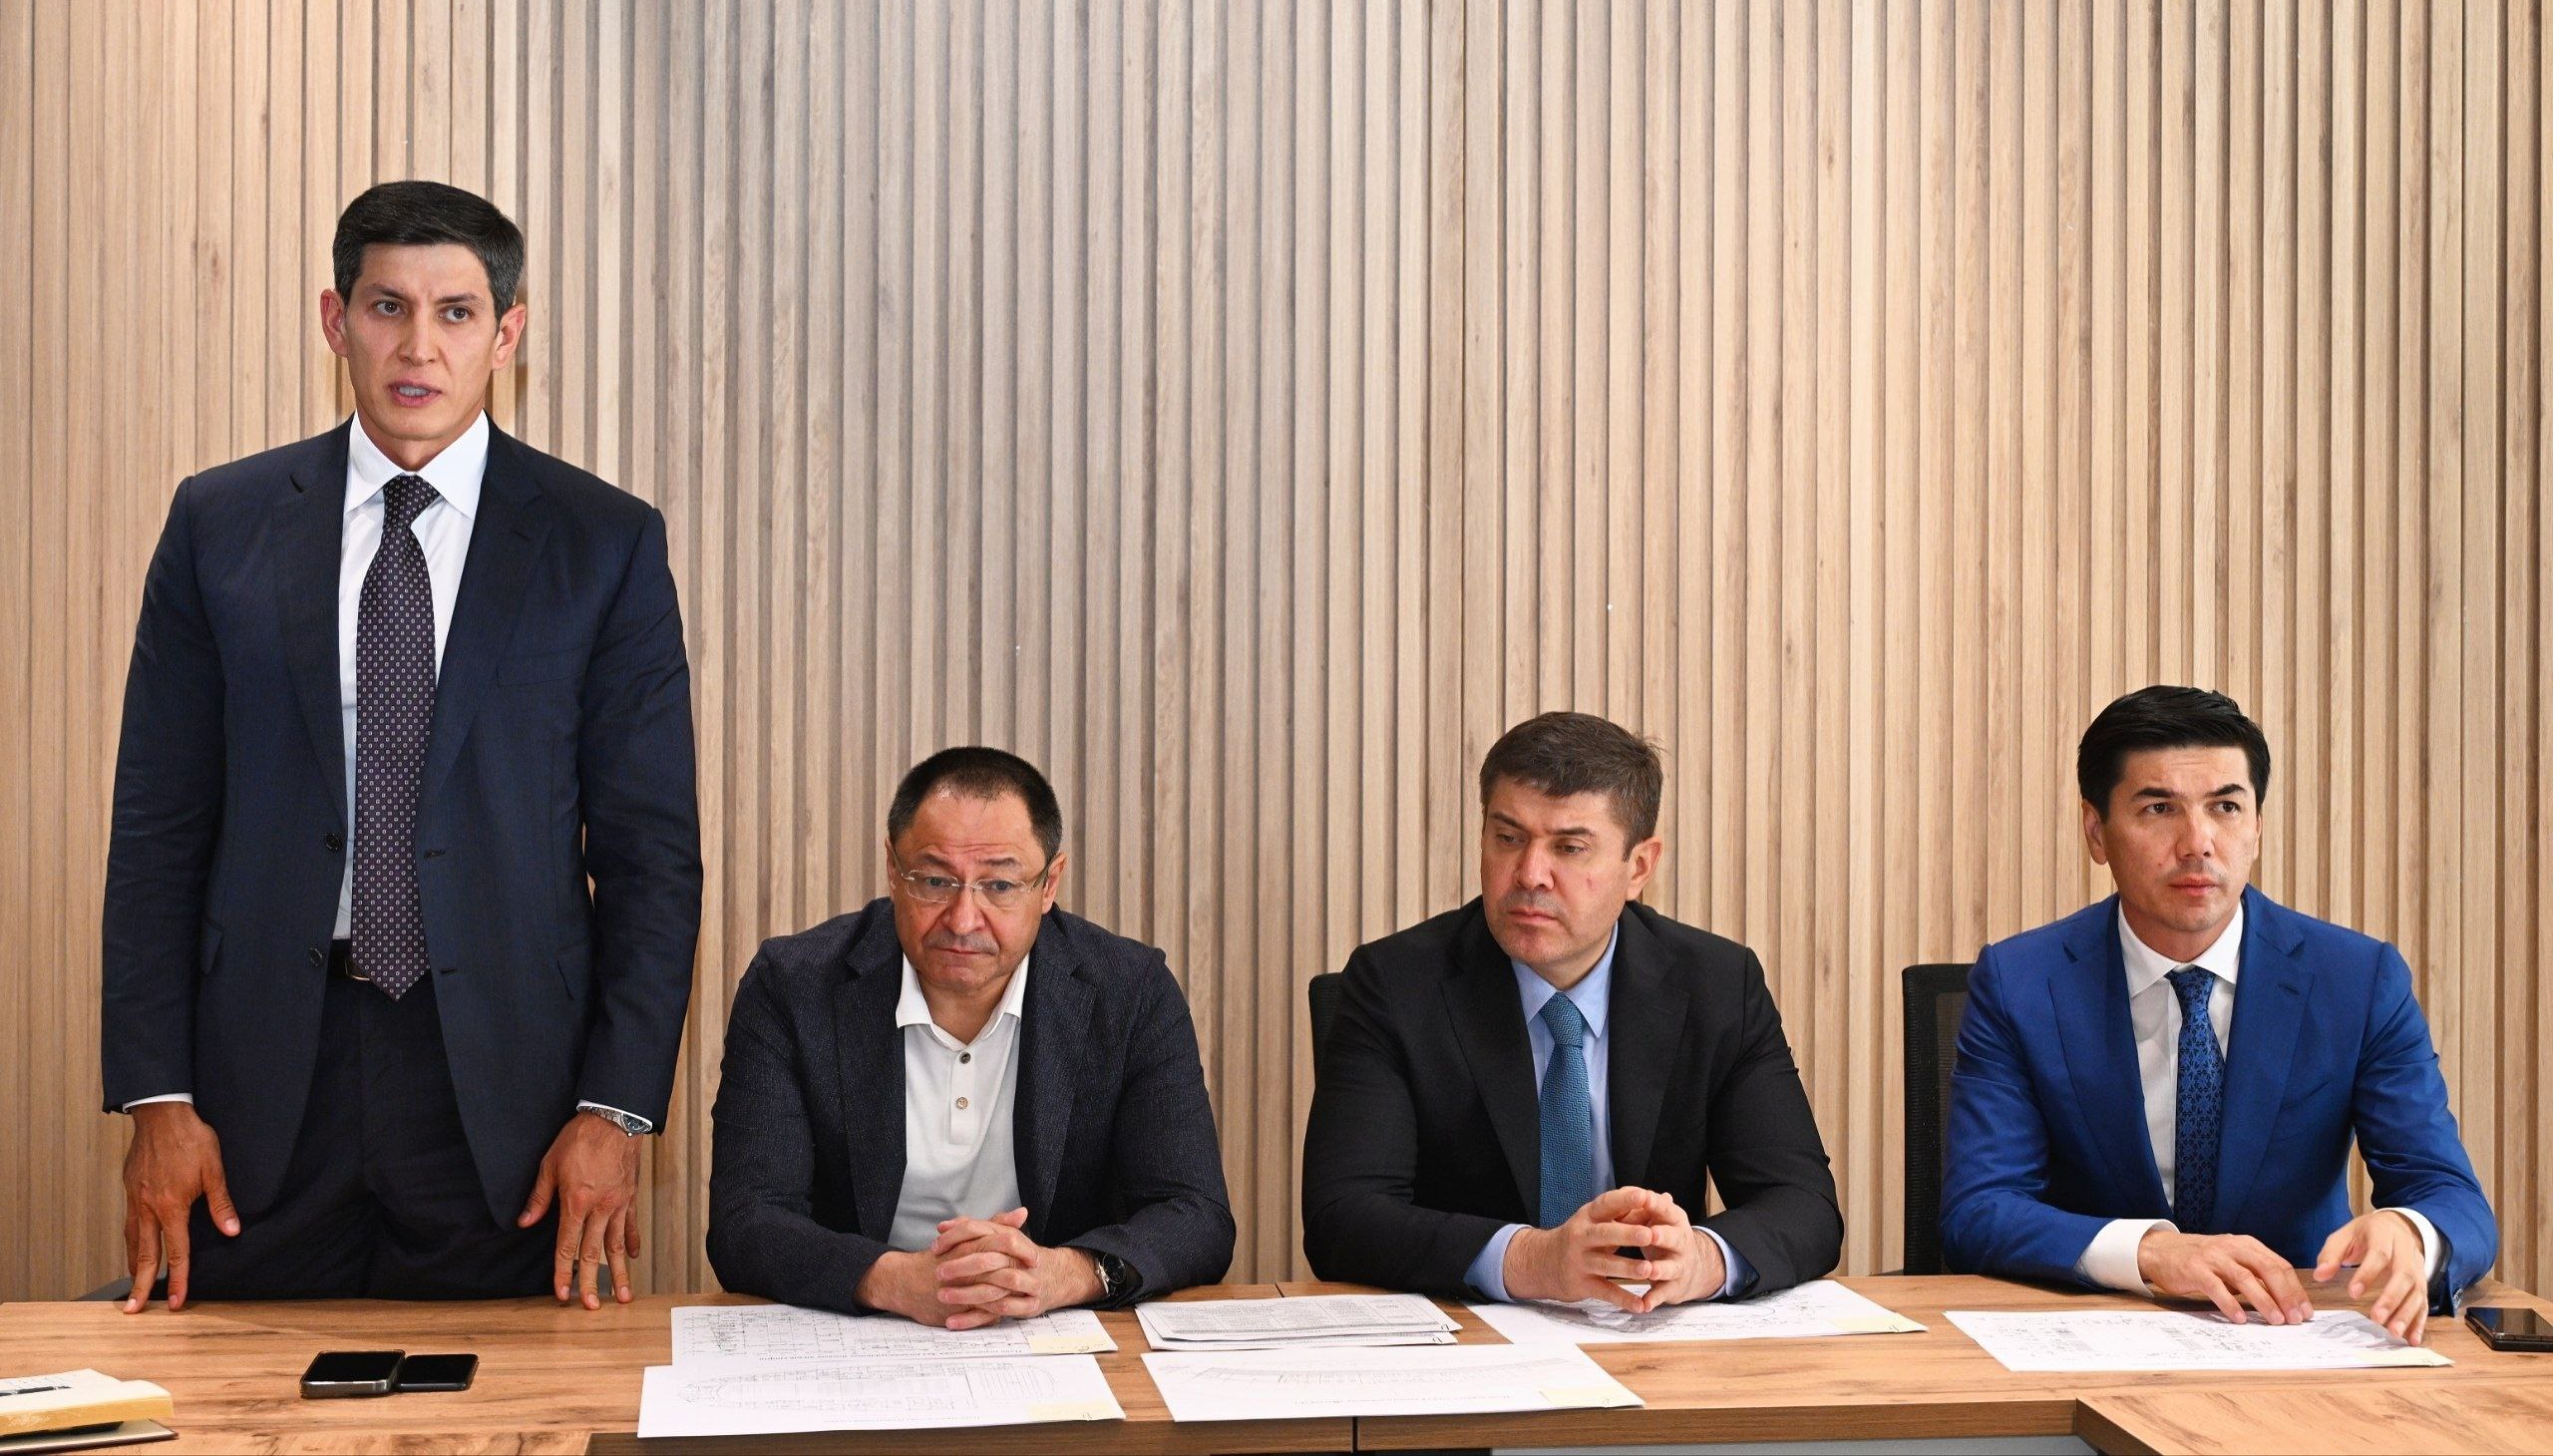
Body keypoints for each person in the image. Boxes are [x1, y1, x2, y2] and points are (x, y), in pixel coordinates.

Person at [101, 181, 703, 1309]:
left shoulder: (602, 541)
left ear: (506, 334)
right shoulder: (219, 523)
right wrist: (157, 1095)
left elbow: (650, 858)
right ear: (337, 320)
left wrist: (615, 1108)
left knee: (510, 1393)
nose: (419, 346)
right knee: (239, 1384)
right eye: (388, 307)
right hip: (259, 1080)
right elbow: (157, 832)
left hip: (509, 1097)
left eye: (456, 312)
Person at [1941, 685, 2496, 1340]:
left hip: (2298, 1332)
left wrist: (2412, 1230)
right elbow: (1980, 1209)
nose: (2197, 843)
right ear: (2096, 831)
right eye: (2159, 809)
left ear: (2256, 825)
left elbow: (2452, 1197)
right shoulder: (2020, 981)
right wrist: (2150, 1252)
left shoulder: (2356, 979)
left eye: (2225, 807)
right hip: (2091, 1336)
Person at [1300, 711, 1843, 1306]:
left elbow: (1804, 1205)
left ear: (1639, 867)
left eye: (1570, 848)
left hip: (1650, 1333)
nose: (1531, 874)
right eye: (1508, 838)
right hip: (1469, 1336)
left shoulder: (1716, 984)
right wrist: (1533, 1260)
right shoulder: (1396, 984)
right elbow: (1343, 1218)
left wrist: (1700, 1262)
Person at [707, 747, 1233, 1321]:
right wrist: (892, 1280)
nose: (962, 919)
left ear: (1049, 883)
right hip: (859, 1334)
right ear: (893, 871)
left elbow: (1194, 1213)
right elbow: (746, 1221)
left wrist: (1062, 1273)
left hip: (1053, 1336)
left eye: (1000, 885)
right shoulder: (794, 986)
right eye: (935, 880)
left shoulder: (1129, 992)